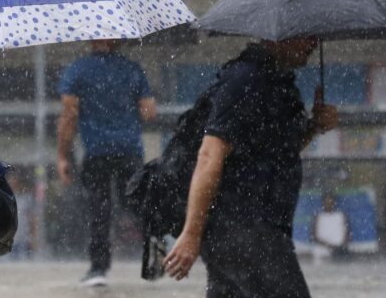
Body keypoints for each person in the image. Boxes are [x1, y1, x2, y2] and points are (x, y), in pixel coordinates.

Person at [163, 38, 338, 298]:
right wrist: (191, 234)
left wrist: (314, 126)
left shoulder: (277, 84)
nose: (314, 42)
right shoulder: (245, 80)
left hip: (257, 228)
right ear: (276, 35)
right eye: (305, 33)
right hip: (244, 229)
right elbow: (210, 154)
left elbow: (275, 153)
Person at [56, 39, 156, 287]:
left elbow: (69, 116)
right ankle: (156, 250)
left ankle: (98, 267)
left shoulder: (77, 70)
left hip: (96, 152)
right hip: (129, 149)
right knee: (135, 203)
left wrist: (62, 155)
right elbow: (149, 111)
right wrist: (123, 108)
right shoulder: (132, 69)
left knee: (99, 210)